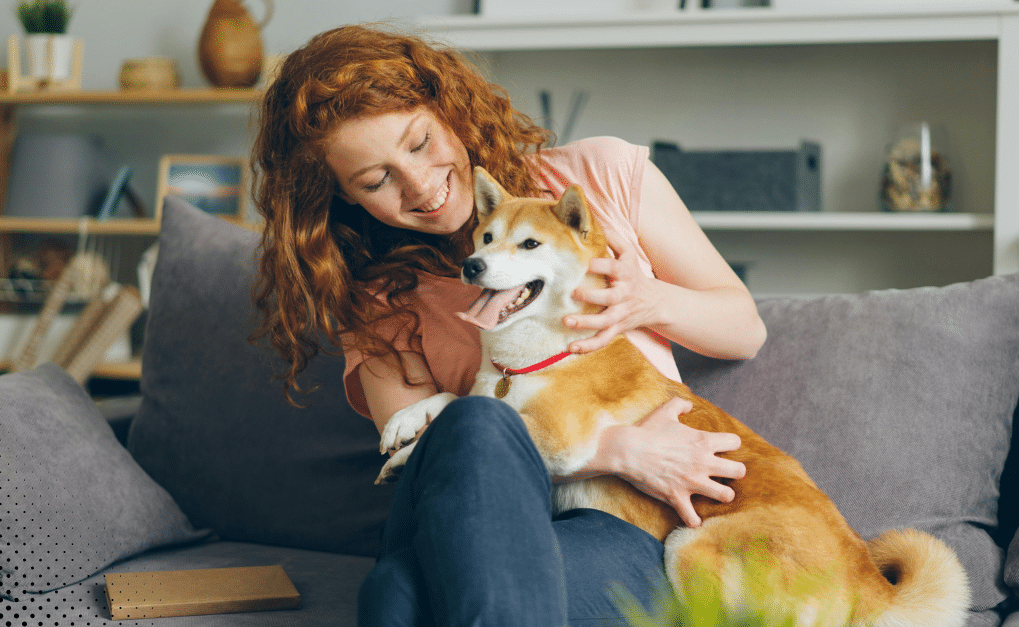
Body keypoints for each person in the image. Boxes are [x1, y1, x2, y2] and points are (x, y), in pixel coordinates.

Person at [250, 23, 767, 626]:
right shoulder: (380, 297)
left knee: (398, 597)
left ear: (450, 111)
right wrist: (613, 451)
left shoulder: (598, 177)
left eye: (419, 144)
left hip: (617, 525)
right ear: (345, 201)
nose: (421, 186)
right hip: (467, 515)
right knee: (473, 419)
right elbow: (423, 458)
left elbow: (745, 329)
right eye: (375, 180)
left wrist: (648, 300)